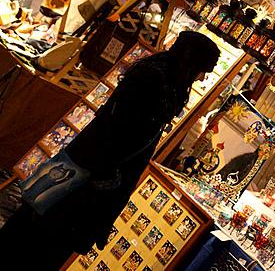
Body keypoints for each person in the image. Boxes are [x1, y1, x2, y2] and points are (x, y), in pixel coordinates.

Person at [0, 30, 220, 269]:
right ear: (191, 64)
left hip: (77, 181)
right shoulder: (157, 87)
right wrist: (107, 183)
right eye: (201, 71)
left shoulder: (154, 77)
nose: (199, 79)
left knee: (27, 236)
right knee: (36, 247)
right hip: (81, 191)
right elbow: (118, 138)